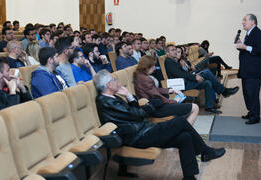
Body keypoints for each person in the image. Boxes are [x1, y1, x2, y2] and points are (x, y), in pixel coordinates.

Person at [94, 69, 226, 180]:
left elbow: (133, 112)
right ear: (109, 85)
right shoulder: (106, 102)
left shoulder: (113, 98)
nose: (118, 82)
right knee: (180, 121)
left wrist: (128, 96)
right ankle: (205, 151)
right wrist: (143, 104)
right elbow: (138, 114)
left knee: (184, 137)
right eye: (114, 80)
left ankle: (189, 177)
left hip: (143, 130)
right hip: (138, 136)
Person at [165, 45, 239, 114]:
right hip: (180, 85)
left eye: (175, 49)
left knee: (207, 82)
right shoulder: (168, 61)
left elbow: (184, 73)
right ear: (167, 53)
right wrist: (195, 77)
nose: (175, 51)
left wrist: (194, 74)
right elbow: (180, 74)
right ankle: (224, 91)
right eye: (172, 50)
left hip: (186, 82)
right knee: (206, 72)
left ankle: (209, 107)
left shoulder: (174, 61)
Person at [134, 55, 199, 125]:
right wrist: (174, 101)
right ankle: (184, 128)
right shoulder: (145, 79)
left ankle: (183, 128)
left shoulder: (140, 75)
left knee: (186, 110)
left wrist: (171, 90)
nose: (154, 68)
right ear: (146, 67)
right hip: (157, 109)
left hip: (156, 106)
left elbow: (154, 89)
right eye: (153, 66)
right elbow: (157, 96)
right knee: (195, 107)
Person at [235, 14, 261, 124]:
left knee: (252, 94)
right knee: (247, 93)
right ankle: (251, 112)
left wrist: (245, 47)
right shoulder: (248, 34)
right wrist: (241, 46)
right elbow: (247, 50)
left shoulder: (258, 33)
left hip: (253, 71)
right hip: (246, 71)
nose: (242, 22)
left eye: (245, 20)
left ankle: (255, 116)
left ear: (252, 22)